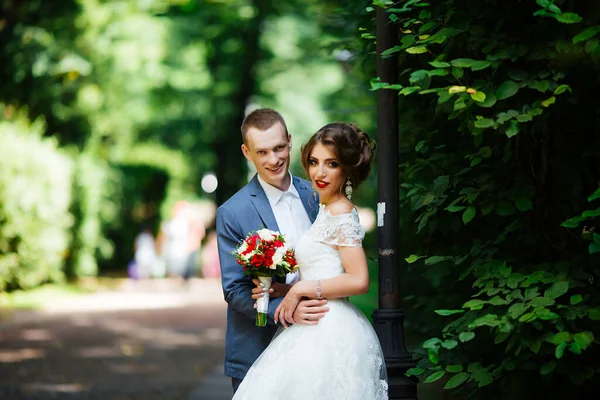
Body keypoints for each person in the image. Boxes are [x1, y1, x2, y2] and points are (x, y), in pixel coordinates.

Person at [233, 122, 388, 400]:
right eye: (314, 162)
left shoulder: (341, 212)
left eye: (332, 163)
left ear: (347, 170)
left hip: (330, 328)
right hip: (314, 321)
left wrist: (300, 290)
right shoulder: (326, 208)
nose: (319, 172)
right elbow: (327, 266)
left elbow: (359, 279)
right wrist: (281, 290)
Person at [216, 108, 330, 393]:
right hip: (259, 347)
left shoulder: (317, 196)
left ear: (290, 140)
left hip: (322, 340)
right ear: (246, 151)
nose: (274, 159)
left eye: (279, 148)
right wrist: (287, 310)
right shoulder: (232, 212)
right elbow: (235, 290)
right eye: (262, 152)